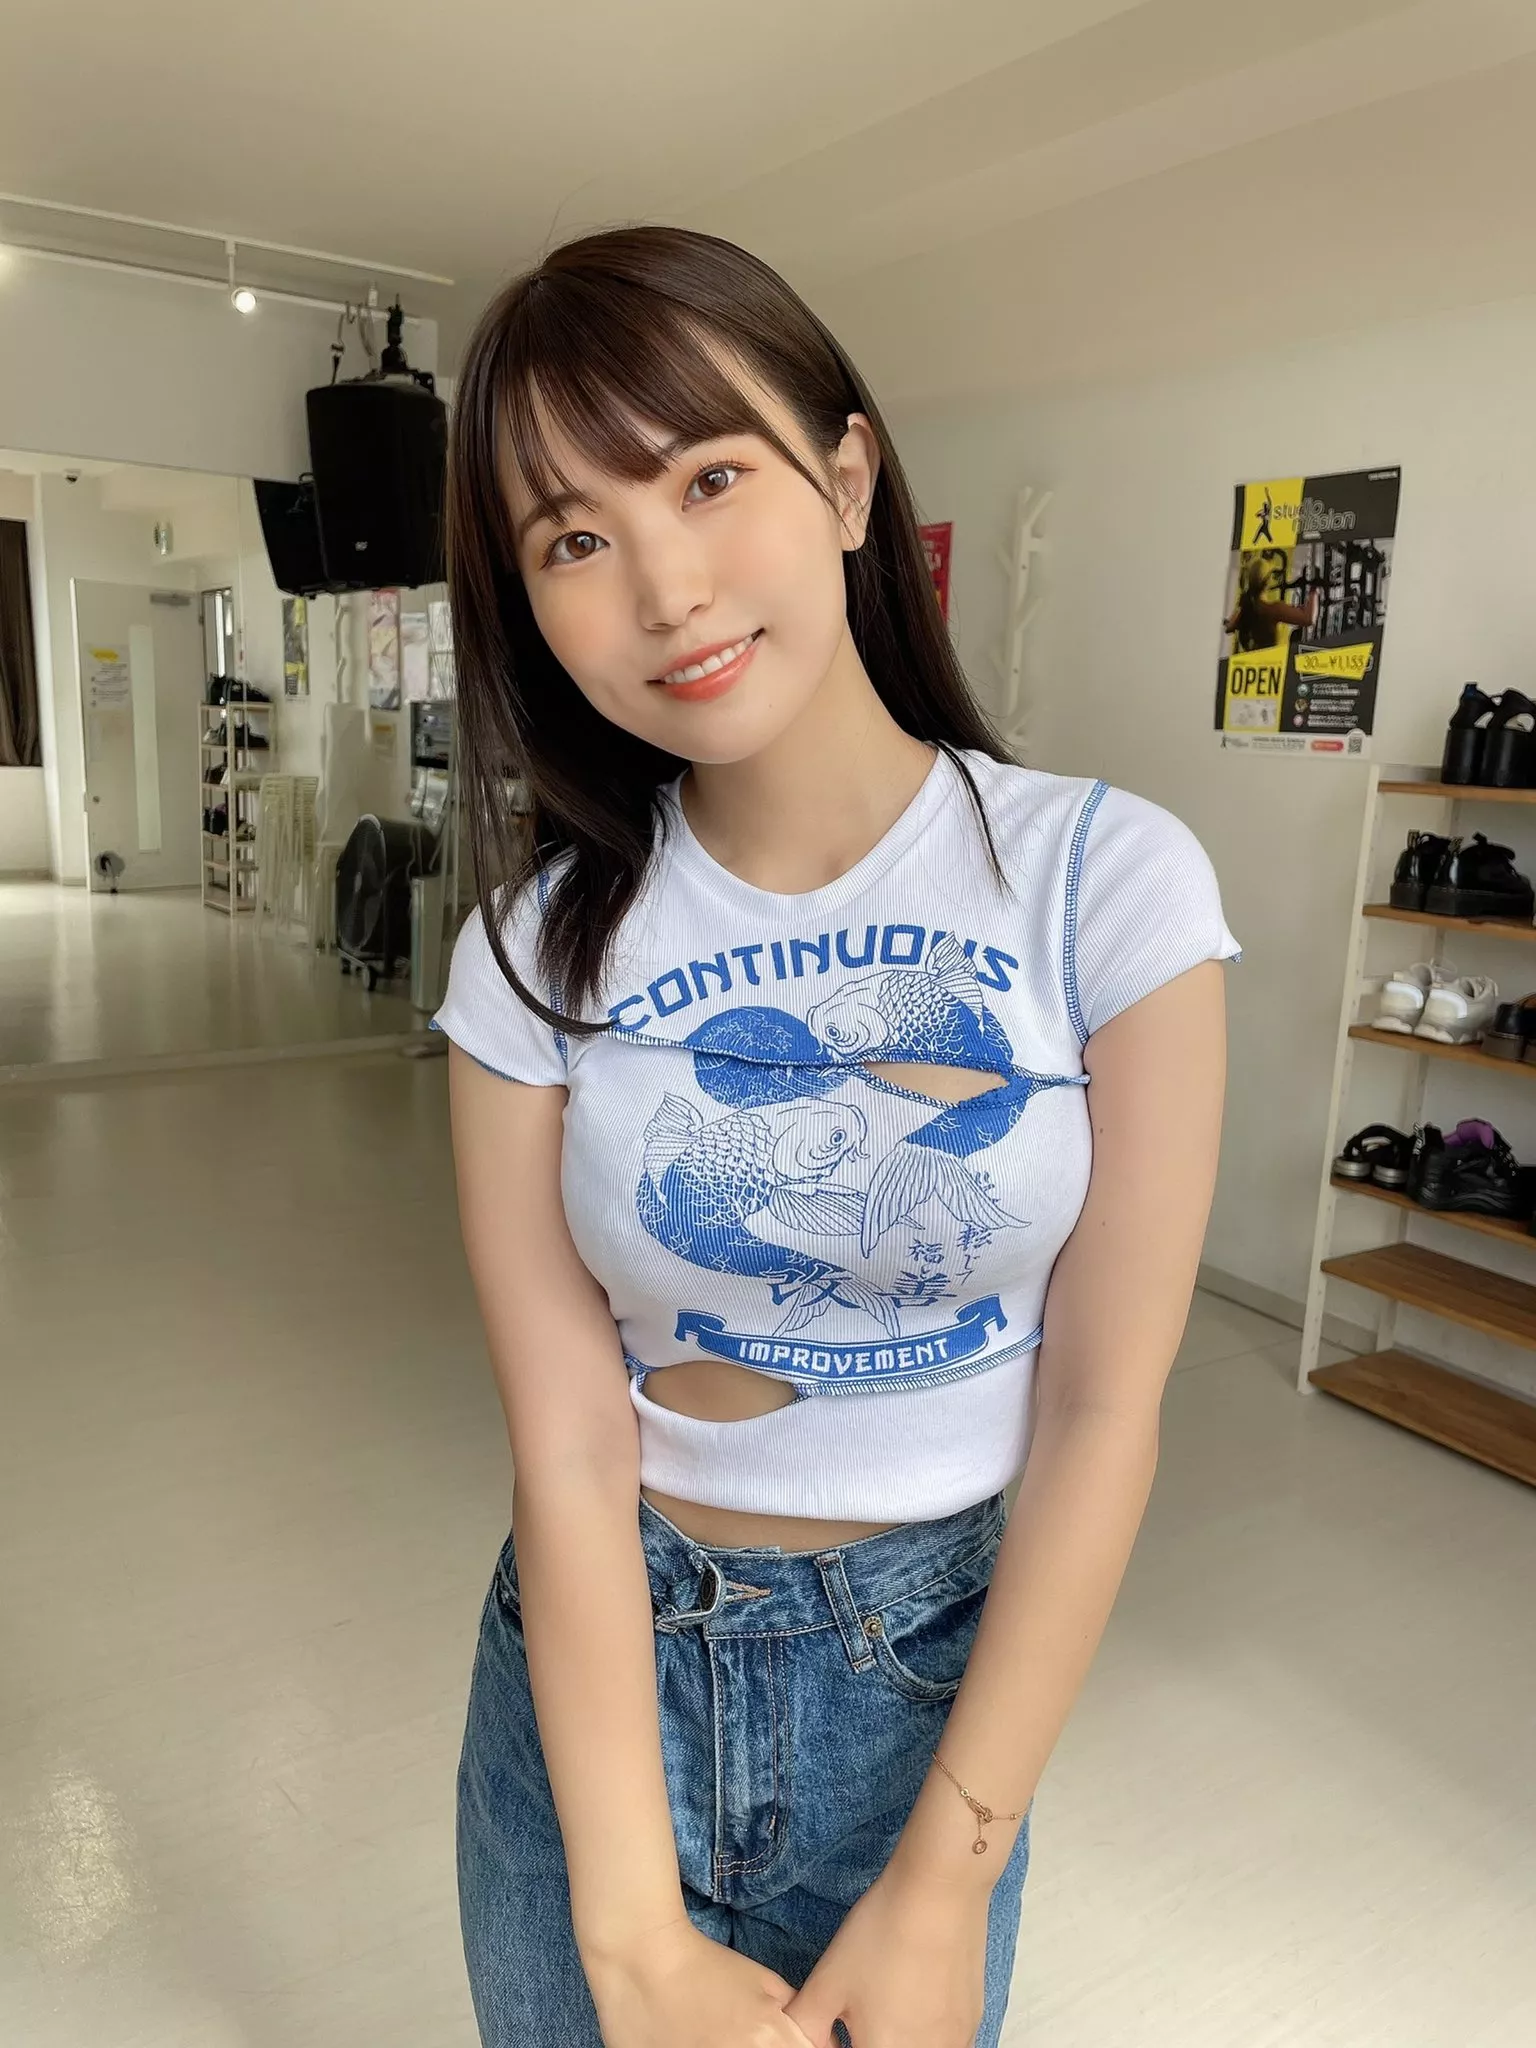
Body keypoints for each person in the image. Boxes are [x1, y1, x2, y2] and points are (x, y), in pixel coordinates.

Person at [433, 225, 1239, 2048]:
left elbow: (1106, 1407)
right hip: (591, 1680)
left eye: (710, 478)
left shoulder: (1103, 884)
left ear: (850, 478)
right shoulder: (528, 958)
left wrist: (949, 1875)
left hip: (928, 1691)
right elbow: (566, 1443)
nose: (667, 587)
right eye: (573, 539)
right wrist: (627, 1941)